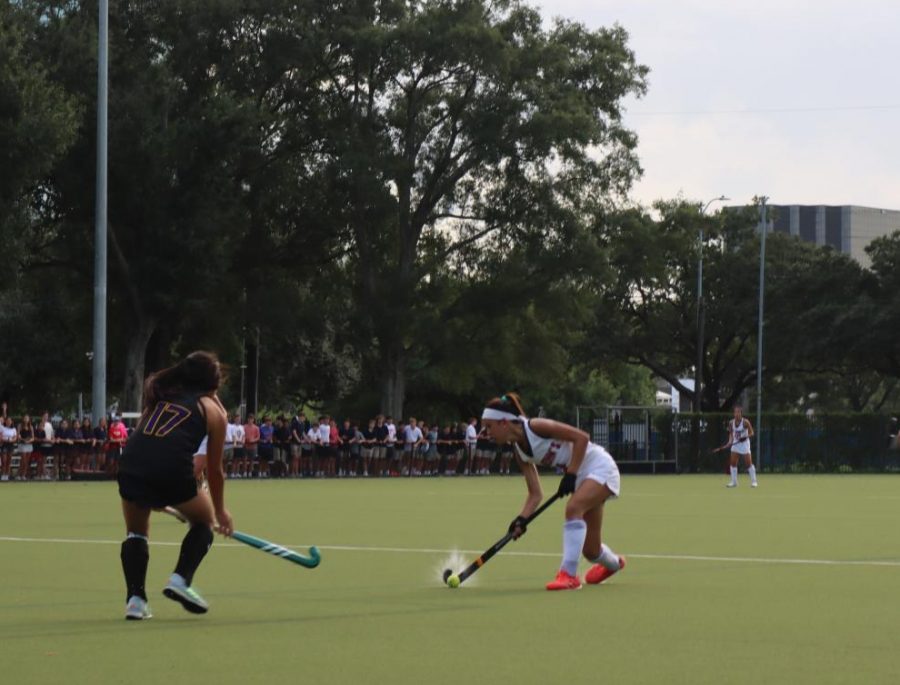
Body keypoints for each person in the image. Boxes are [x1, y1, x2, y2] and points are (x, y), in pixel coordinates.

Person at [117, 350, 233, 620]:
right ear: (215, 383)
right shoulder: (214, 412)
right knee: (204, 523)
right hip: (171, 471)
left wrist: (154, 495)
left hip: (131, 465)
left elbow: (149, 442)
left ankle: (135, 601)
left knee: (136, 533)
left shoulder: (162, 396)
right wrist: (221, 512)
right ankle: (180, 580)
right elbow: (214, 472)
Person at [480, 393, 625, 591]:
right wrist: (521, 519)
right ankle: (615, 563)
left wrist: (571, 474)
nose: (486, 432)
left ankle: (568, 575)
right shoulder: (519, 451)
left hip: (599, 467)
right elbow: (535, 493)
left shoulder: (536, 426)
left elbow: (581, 438)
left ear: (504, 422)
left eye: (489, 426)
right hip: (582, 478)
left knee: (573, 507)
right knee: (591, 551)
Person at [719, 404, 758, 488]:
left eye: (738, 412)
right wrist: (729, 442)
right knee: (733, 463)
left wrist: (745, 437)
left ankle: (754, 482)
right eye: (735, 412)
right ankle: (734, 482)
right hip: (735, 445)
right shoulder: (731, 423)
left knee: (748, 463)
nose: (736, 414)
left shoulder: (745, 422)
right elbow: (731, 434)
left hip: (745, 445)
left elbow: (752, 433)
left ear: (741, 413)